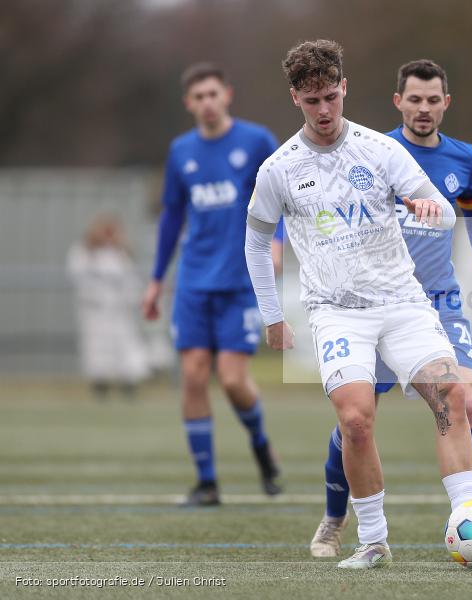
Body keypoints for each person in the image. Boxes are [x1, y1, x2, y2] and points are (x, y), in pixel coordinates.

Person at [244, 39, 472, 569]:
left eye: (331, 96)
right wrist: (272, 316)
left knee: (452, 395)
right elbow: (256, 242)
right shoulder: (279, 169)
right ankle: (373, 540)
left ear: (344, 87)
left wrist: (427, 207)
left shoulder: (381, 150)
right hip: (336, 311)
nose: (325, 111)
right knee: (355, 419)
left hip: (402, 301)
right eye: (312, 101)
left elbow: (444, 214)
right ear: (295, 99)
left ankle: (470, 515)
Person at [305, 58, 472, 558]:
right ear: (398, 102)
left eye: (433, 99)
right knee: (354, 422)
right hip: (377, 305)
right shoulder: (375, 151)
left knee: (464, 400)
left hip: (438, 301)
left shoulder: (463, 158)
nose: (424, 108)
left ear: (446, 104)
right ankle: (333, 517)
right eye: (414, 99)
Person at [142, 62, 283, 506]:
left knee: (233, 380)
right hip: (193, 283)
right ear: (188, 103)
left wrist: (276, 242)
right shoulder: (180, 150)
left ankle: (261, 445)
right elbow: (171, 218)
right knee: (193, 376)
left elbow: (283, 194)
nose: (206, 102)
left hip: (240, 281)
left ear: (227, 94)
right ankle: (207, 482)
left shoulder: (256, 141)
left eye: (212, 94)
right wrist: (155, 279)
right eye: (197, 96)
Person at [67, 215, 149, 399]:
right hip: (96, 311)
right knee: (97, 348)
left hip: (120, 310)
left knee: (126, 346)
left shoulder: (121, 254)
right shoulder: (84, 252)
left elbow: (131, 279)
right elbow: (78, 275)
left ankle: (129, 384)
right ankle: (100, 385)